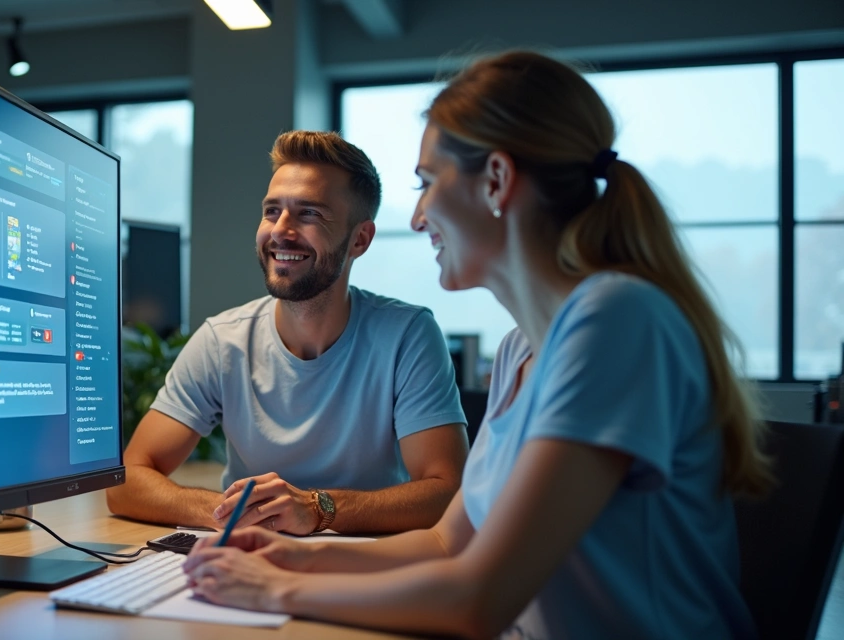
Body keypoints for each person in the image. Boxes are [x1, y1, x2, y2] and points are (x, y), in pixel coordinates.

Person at [181, 51, 771, 639]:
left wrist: (274, 590)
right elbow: (446, 543)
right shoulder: (522, 348)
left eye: (428, 183)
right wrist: (291, 557)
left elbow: (477, 601)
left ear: (496, 181)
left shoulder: (616, 321)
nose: (416, 217)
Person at [107, 131, 469, 535]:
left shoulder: (407, 335)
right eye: (271, 211)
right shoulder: (222, 341)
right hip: (249, 556)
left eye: (309, 214)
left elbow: (446, 491)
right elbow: (126, 481)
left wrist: (316, 510)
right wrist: (232, 513)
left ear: (360, 240)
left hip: (367, 564)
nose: (280, 231)